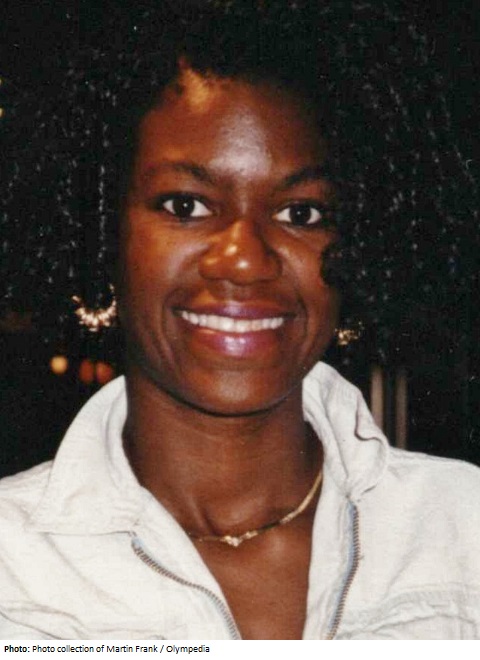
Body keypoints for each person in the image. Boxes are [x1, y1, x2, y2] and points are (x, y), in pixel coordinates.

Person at [0, 0, 479, 640]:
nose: (246, 261)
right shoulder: (15, 570)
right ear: (99, 233)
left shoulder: (462, 530)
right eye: (186, 205)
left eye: (301, 213)